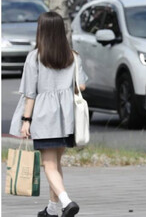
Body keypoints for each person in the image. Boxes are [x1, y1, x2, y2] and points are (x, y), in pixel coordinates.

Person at [9, 12, 87, 217]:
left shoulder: (35, 57)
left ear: (41, 31)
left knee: (49, 165)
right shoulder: (73, 55)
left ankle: (67, 202)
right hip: (66, 118)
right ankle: (52, 210)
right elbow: (82, 85)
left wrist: (26, 120)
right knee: (56, 164)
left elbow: (30, 94)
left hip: (44, 117)